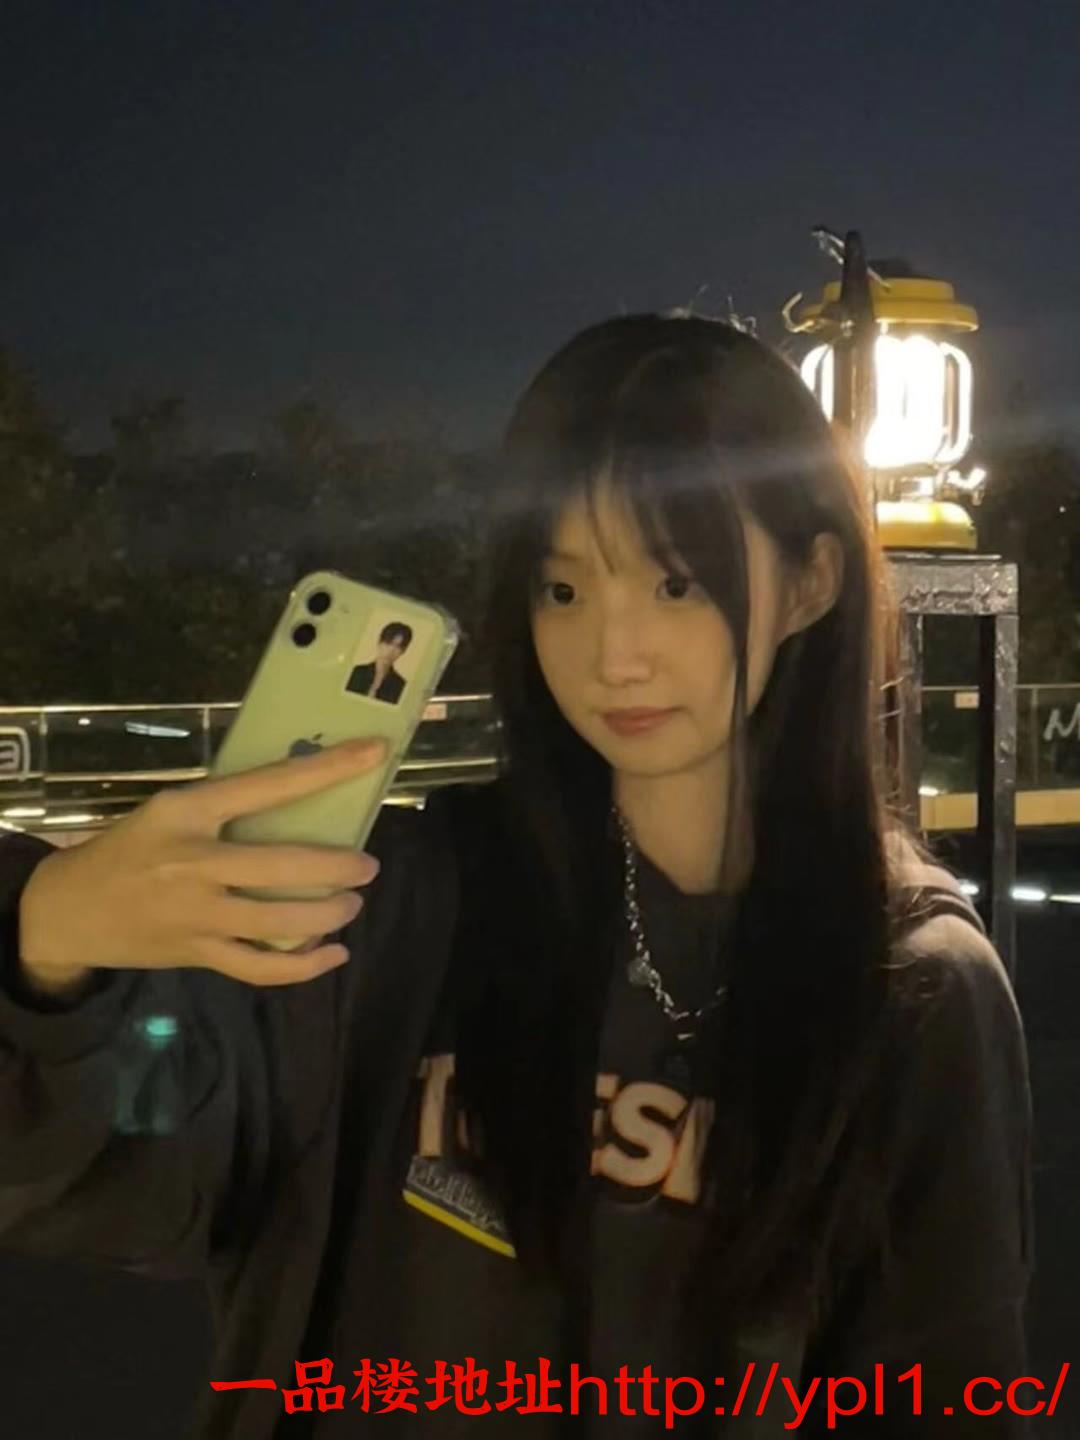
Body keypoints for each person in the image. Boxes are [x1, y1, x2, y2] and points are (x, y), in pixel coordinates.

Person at [0, 314, 1033, 1438]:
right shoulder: (402, 904)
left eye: (676, 584)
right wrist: (47, 945)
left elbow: (949, 1393)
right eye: (563, 590)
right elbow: (136, 1176)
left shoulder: (913, 986)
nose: (613, 654)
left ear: (810, 581)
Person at [346, 620, 413, 705]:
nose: (391, 650)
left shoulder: (400, 686)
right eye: (388, 643)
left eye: (398, 647)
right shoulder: (356, 672)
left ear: (403, 651)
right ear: (379, 643)